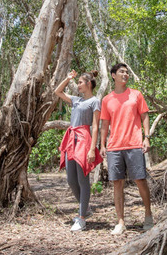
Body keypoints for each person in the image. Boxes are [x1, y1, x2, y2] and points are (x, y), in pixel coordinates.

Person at [100, 62, 153, 235]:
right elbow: (104, 124)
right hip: (114, 146)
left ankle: (148, 215)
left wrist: (147, 137)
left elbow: (144, 115)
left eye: (127, 72)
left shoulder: (136, 95)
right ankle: (120, 222)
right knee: (117, 183)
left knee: (140, 180)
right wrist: (102, 145)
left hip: (134, 144)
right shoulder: (107, 99)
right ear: (113, 75)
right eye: (122, 72)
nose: (126, 74)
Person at [54, 69, 103, 232]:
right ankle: (86, 209)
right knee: (71, 179)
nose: (78, 85)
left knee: (83, 180)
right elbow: (57, 91)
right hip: (70, 139)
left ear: (88, 84)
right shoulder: (76, 100)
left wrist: (92, 149)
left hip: (83, 140)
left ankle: (81, 218)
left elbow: (95, 126)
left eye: (80, 82)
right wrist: (68, 78)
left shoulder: (94, 101)